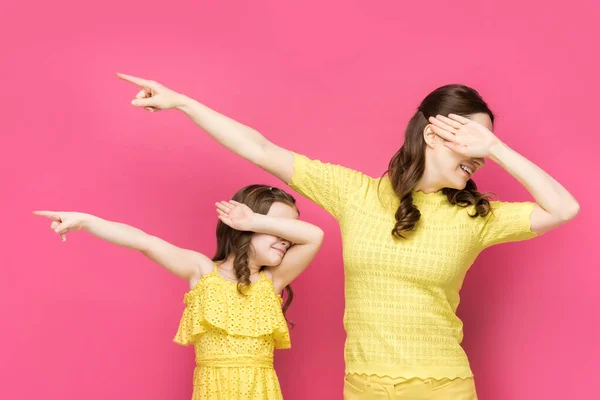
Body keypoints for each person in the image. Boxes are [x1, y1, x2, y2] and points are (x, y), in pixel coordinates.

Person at [117, 73, 579, 399]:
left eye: (486, 145)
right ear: (435, 133)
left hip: (443, 385)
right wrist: (183, 103)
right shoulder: (355, 194)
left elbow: (564, 208)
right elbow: (259, 148)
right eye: (474, 139)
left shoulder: (479, 217)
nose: (479, 156)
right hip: (363, 385)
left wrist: (495, 148)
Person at [34, 184, 324, 400]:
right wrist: (86, 221)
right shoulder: (202, 271)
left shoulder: (272, 280)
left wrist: (256, 222)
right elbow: (144, 241)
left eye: (289, 229)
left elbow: (314, 236)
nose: (287, 239)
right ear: (240, 225)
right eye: (278, 227)